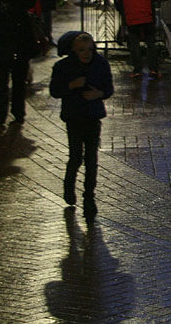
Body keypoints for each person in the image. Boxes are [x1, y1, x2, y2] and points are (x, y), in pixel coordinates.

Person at [49, 32, 114, 218]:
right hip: (74, 116)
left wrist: (98, 94)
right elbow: (55, 91)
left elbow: (108, 88)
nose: (87, 54)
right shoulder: (63, 67)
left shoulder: (100, 64)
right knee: (76, 156)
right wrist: (72, 85)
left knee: (91, 159)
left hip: (93, 116)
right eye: (82, 50)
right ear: (73, 51)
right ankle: (69, 187)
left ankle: (89, 198)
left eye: (90, 50)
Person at [114, 0, 160, 78]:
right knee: (151, 43)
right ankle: (153, 69)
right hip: (147, 15)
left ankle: (137, 70)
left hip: (130, 16)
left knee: (134, 43)